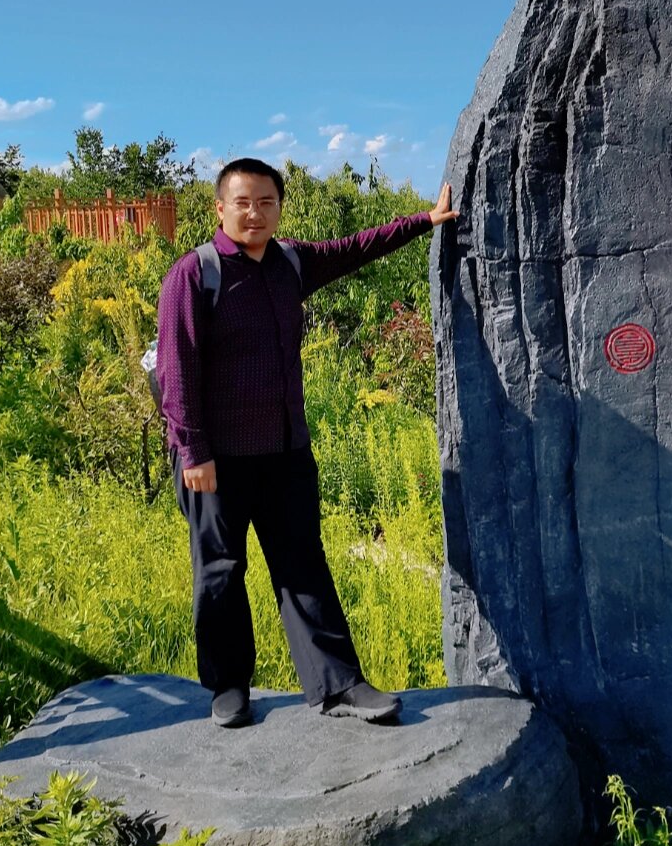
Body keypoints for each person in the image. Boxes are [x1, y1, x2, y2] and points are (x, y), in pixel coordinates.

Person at [156, 156, 457, 728]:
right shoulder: (194, 275)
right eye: (242, 202)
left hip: (285, 451)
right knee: (220, 571)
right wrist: (192, 452)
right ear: (219, 209)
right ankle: (228, 688)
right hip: (215, 460)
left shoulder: (289, 262)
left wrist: (425, 221)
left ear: (279, 207)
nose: (255, 212)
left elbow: (353, 248)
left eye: (266, 202)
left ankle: (338, 685)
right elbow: (176, 370)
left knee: (302, 565)